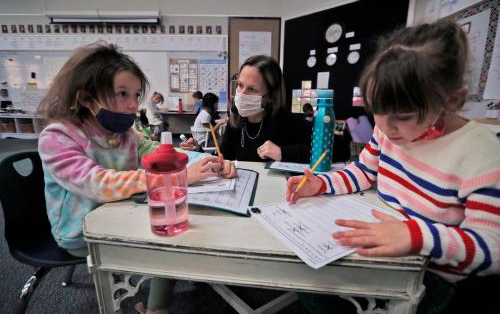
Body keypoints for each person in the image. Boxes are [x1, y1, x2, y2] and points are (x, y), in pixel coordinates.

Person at [286, 19, 500, 313]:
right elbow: (364, 171)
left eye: (403, 115)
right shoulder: (387, 129)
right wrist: (322, 184)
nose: (385, 127)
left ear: (451, 101)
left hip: (431, 273)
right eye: (377, 111)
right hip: (383, 246)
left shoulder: (482, 153)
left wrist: (413, 236)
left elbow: (492, 250)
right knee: (305, 280)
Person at [37, 43, 236, 314]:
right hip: (82, 233)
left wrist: (205, 162)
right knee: (169, 237)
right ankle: (158, 306)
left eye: (135, 94)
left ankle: (158, 305)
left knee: (175, 225)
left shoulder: (124, 133)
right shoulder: (57, 137)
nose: (133, 104)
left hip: (123, 213)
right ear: (86, 98)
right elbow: (98, 183)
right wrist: (178, 177)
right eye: (122, 94)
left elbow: (161, 152)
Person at [181, 55, 312, 163]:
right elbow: (223, 159)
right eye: (240, 85)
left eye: (252, 89)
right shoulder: (236, 121)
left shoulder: (286, 121)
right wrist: (198, 151)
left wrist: (283, 153)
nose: (242, 94)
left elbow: (328, 149)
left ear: (271, 96)